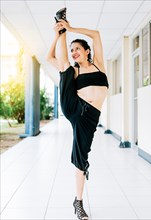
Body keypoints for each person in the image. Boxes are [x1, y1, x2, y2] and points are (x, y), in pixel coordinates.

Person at [47, 17, 109, 220]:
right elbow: (50, 58)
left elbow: (96, 34)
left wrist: (72, 28)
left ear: (87, 50)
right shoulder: (75, 71)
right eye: (72, 50)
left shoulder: (99, 65)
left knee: (83, 154)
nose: (74, 53)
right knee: (66, 69)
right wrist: (58, 35)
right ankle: (79, 202)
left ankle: (64, 28)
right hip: (76, 108)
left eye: (77, 49)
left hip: (91, 117)